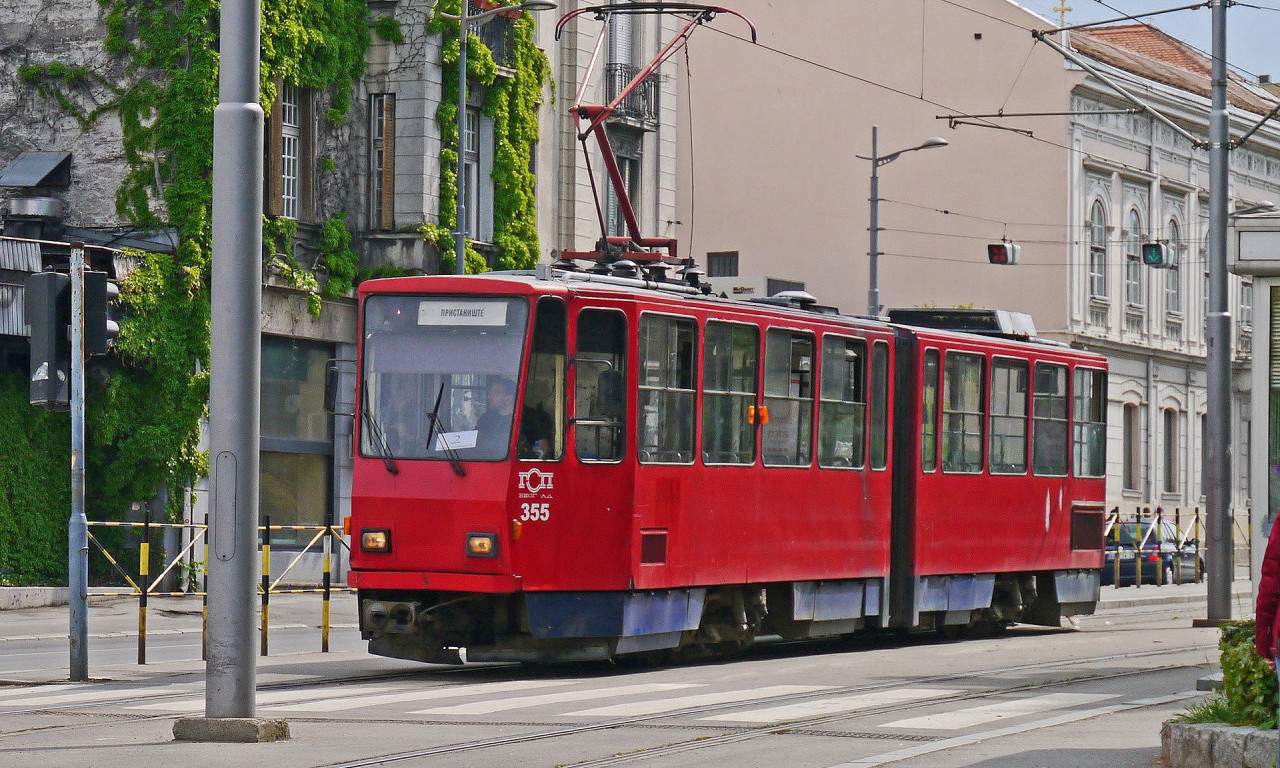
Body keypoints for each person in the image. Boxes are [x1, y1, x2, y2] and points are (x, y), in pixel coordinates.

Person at [473, 377, 516, 458]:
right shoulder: (486, 419)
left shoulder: (524, 420)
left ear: (508, 398)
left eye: (496, 392)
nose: (490, 396)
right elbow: (475, 444)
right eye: (491, 392)